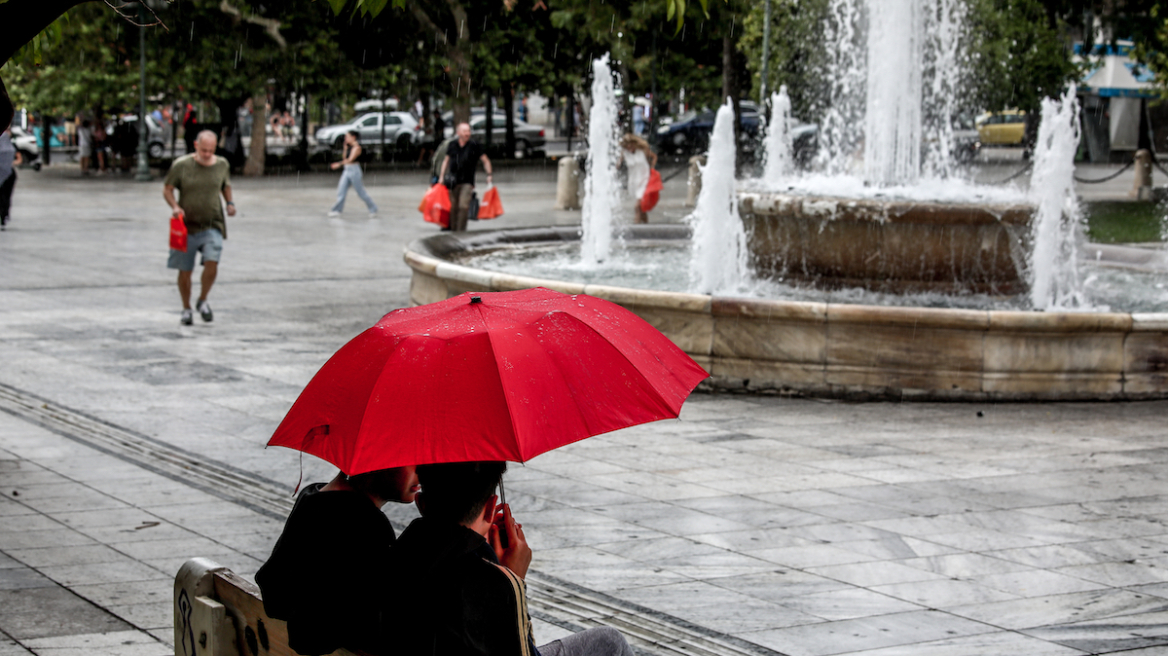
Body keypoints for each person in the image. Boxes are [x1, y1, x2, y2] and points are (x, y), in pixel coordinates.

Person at [392, 461, 635, 656]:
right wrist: (514, 578)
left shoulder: (401, 549)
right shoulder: (497, 583)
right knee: (609, 641)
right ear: (491, 507)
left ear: (421, 503)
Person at [256, 466, 420, 656]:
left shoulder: (314, 496)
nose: (422, 472)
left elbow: (274, 586)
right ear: (377, 463)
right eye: (413, 463)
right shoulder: (364, 522)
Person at [163, 130, 235, 325]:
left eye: (210, 151)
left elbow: (225, 185)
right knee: (185, 270)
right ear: (196, 146)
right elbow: (167, 189)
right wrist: (175, 207)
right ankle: (186, 308)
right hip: (186, 227)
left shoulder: (221, 165)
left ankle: (203, 299)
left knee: (212, 262)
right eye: (203, 150)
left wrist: (230, 203)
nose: (207, 154)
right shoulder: (182, 165)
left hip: (213, 223)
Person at [438, 123, 493, 232]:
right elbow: (446, 161)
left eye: (468, 131)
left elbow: (485, 160)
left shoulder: (474, 145)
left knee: (463, 206)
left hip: (467, 181)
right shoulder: (452, 144)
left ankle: (461, 231)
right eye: (464, 131)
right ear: (458, 133)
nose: (467, 133)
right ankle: (453, 230)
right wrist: (441, 176)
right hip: (452, 181)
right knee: (453, 208)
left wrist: (489, 174)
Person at [328, 130, 378, 218]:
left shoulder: (357, 148)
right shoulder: (348, 147)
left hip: (354, 170)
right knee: (341, 190)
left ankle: (373, 208)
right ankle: (337, 210)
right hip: (346, 170)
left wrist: (338, 164)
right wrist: (345, 148)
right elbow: (345, 157)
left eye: (347, 137)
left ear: (353, 137)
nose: (345, 139)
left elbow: (350, 160)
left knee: (360, 192)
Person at [620, 134, 657, 224]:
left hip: (645, 179)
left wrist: (652, 168)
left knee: (637, 207)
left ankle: (635, 228)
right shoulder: (624, 153)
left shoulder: (642, 150)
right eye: (627, 146)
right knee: (642, 208)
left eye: (631, 145)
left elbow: (654, 157)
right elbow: (618, 164)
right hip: (633, 182)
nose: (629, 148)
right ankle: (646, 227)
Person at [0, 125, 22, 230]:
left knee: (6, 196)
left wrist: (11, 162)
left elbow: (19, 159)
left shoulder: (12, 145)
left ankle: (4, 215)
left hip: (8, 173)